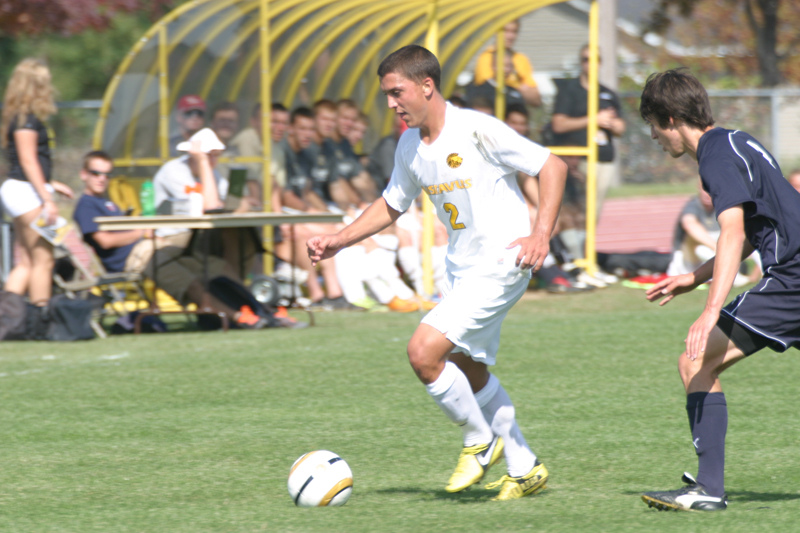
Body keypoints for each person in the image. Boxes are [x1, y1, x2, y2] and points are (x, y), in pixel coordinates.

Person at [308, 45, 568, 500]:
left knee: (423, 352)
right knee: (468, 370)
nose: (391, 104)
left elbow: (552, 165)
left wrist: (540, 234)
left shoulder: (475, 128)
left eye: (397, 92)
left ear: (426, 86)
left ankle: (478, 440)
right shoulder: (409, 145)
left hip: (503, 262)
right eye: (387, 95)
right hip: (463, 271)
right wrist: (339, 239)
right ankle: (525, 467)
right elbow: (392, 203)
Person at [639, 68, 800, 512]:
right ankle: (706, 483)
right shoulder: (738, 141)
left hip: (793, 278)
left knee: (696, 359)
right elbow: (755, 228)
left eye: (653, 125)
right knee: (696, 361)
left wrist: (711, 311)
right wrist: (695, 277)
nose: (653, 136)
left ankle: (708, 488)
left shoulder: (713, 156)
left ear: (671, 117)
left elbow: (731, 232)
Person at [72, 150, 273, 329]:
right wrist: (142, 231)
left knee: (213, 264)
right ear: (84, 174)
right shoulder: (86, 204)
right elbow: (105, 241)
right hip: (136, 259)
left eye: (107, 174)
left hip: (154, 245)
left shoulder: (106, 201)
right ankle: (239, 317)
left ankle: (261, 309)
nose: (102, 178)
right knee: (191, 282)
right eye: (96, 173)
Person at [0, 58, 74, 308]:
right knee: (44, 260)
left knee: (27, 262)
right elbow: (28, 161)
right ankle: (40, 317)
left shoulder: (20, 118)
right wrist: (48, 200)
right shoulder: (27, 121)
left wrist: (52, 183)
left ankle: (7, 318)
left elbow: (28, 163)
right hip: (25, 193)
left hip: (21, 190)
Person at [550, 44, 626, 216]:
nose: (590, 64)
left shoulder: (607, 93)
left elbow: (621, 127)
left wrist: (610, 122)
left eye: (595, 60)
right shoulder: (569, 91)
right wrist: (593, 120)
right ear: (580, 62)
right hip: (579, 159)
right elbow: (558, 124)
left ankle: (587, 243)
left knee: (594, 212)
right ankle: (575, 242)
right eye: (586, 59)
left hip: (604, 159)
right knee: (577, 209)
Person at [667, 181, 760, 286]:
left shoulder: (724, 207)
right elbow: (689, 224)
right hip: (689, 260)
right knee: (701, 249)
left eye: (711, 191)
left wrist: (755, 274)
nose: (707, 194)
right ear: (699, 189)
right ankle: (732, 276)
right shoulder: (693, 205)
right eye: (705, 189)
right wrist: (716, 247)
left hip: (712, 259)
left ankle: (763, 272)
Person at [473, 20, 541, 107]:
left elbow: (535, 98)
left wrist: (510, 84)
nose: (511, 36)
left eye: (514, 31)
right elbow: (489, 86)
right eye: (506, 31)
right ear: (496, 32)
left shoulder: (521, 59)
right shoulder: (486, 57)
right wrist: (519, 86)